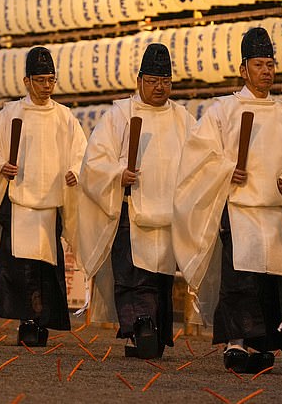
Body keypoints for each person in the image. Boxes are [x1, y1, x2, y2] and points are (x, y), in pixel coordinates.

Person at [173, 28, 282, 373]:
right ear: (243, 69)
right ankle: (236, 342)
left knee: (270, 283)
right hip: (239, 210)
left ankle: (262, 343)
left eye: (270, 64)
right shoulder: (223, 111)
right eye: (259, 65)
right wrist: (226, 170)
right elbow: (199, 157)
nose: (267, 71)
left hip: (273, 212)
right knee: (240, 280)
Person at [0, 46, 86, 346]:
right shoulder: (9, 115)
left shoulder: (65, 117)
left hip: (50, 206)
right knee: (21, 270)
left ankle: (43, 321)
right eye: (40, 79)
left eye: (51, 80)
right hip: (18, 205)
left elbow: (81, 152)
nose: (46, 86)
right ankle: (27, 322)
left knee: (45, 270)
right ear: (26, 81)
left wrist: (75, 171)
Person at [78, 43, 194, 359]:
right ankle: (139, 326)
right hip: (132, 209)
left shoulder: (182, 118)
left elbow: (201, 160)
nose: (161, 87)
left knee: (160, 277)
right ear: (140, 80)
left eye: (166, 81)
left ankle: (153, 332)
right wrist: (117, 173)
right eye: (154, 80)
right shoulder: (119, 115)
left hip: (167, 213)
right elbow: (93, 162)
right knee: (133, 272)